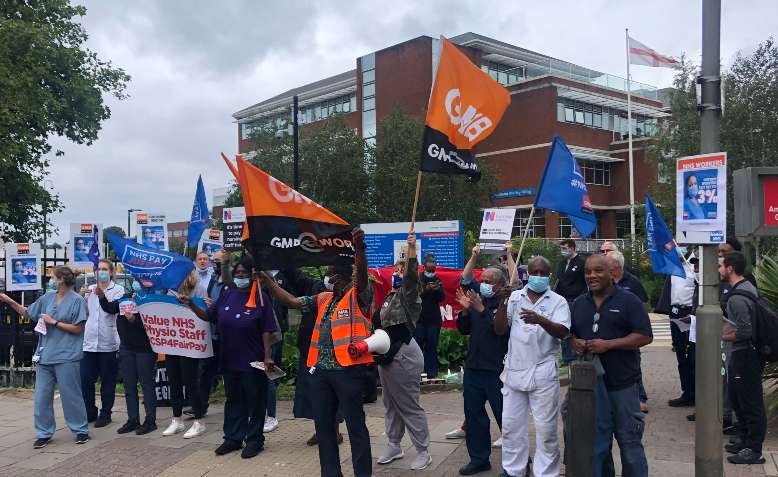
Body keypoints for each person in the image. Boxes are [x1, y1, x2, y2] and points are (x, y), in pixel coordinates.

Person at [262, 227, 373, 477]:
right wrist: (266, 280)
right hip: (321, 373)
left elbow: (363, 276)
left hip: (348, 373)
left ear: (343, 277)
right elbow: (291, 301)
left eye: (333, 276)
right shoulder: (323, 298)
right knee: (324, 428)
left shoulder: (359, 296)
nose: (329, 280)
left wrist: (361, 249)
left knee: (356, 427)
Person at [183, 254, 277, 459]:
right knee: (234, 399)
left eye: (244, 272)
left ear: (252, 275)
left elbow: (267, 329)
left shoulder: (260, 296)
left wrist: (268, 357)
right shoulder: (227, 294)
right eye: (238, 272)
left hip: (253, 360)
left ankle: (254, 440)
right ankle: (233, 438)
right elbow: (208, 316)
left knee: (255, 400)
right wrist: (190, 304)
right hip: (230, 358)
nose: (240, 275)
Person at [569, 254, 652, 477]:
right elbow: (572, 333)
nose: (592, 276)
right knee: (597, 443)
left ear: (611, 273)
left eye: (598, 271)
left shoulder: (629, 301)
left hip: (622, 385)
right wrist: (574, 341)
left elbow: (645, 336)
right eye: (588, 272)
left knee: (629, 441)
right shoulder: (579, 303)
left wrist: (610, 345)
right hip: (591, 387)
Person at [494, 256, 570, 477]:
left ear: (549, 276)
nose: (537, 277)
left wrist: (541, 320)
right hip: (514, 371)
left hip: (543, 372)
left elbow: (564, 332)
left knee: (546, 429)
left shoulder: (558, 301)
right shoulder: (515, 297)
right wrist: (502, 302)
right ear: (527, 274)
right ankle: (514, 469)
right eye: (534, 272)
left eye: (542, 273)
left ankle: (546, 472)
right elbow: (499, 330)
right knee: (511, 427)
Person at [0, 267, 90, 447]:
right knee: (41, 396)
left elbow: (79, 328)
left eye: (52, 277)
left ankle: (80, 429)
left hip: (67, 355)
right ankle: (44, 432)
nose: (50, 280)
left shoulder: (77, 301)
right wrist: (8, 300)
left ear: (61, 280)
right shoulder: (47, 297)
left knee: (70, 395)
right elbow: (28, 313)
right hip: (45, 354)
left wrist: (54, 322)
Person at [373, 233, 432, 471]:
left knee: (408, 404)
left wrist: (411, 248)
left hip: (404, 355)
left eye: (401, 270)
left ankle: (423, 450)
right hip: (386, 357)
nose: (397, 273)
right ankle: (394, 444)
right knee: (390, 403)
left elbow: (410, 276)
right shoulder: (389, 297)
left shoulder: (410, 296)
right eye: (396, 270)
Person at [454, 244, 510, 476]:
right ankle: (479, 459)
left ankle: (517, 461)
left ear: (499, 285)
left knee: (506, 418)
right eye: (483, 279)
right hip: (474, 368)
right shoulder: (477, 298)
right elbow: (465, 329)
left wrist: (481, 310)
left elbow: (499, 331)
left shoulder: (506, 302)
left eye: (489, 281)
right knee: (475, 416)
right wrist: (467, 311)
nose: (484, 284)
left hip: (497, 370)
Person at [720, 251, 766, 465]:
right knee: (738, 398)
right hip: (747, 353)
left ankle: (754, 449)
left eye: (721, 266)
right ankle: (746, 441)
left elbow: (745, 331)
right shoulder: (748, 288)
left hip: (745, 353)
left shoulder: (737, 297)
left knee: (749, 402)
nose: (719, 270)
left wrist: (722, 335)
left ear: (730, 268)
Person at [162, 271, 208, 439]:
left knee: (190, 381)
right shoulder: (171, 290)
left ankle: (199, 420)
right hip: (173, 341)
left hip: (191, 342)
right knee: (173, 380)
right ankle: (177, 419)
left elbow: (205, 312)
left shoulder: (200, 288)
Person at [79, 260, 124, 428]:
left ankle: (106, 413)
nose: (101, 272)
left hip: (108, 341)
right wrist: (81, 295)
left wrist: (101, 295)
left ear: (111, 272)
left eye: (105, 269)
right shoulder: (89, 289)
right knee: (85, 379)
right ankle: (89, 411)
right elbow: (83, 312)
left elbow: (113, 309)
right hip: (89, 342)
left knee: (108, 380)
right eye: (99, 269)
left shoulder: (118, 290)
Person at [657, 248, 698, 409]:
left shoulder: (694, 266)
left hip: (690, 313)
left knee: (692, 357)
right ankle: (687, 393)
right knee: (681, 355)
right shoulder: (673, 267)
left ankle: (697, 394)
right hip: (675, 313)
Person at [117, 280, 158, 435]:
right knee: (129, 385)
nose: (138, 282)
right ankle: (133, 419)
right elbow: (110, 307)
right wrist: (101, 295)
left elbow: (154, 323)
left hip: (144, 349)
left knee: (146, 384)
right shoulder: (127, 297)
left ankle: (150, 420)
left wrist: (135, 320)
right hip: (127, 347)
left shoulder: (153, 299)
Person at [196, 249, 226, 418]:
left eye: (219, 262)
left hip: (226, 336)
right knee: (205, 371)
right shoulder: (213, 281)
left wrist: (214, 305)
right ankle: (200, 406)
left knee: (229, 373)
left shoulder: (231, 284)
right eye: (214, 262)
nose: (216, 265)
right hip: (212, 334)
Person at [264, 269, 289, 434]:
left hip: (271, 334)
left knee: (269, 377)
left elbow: (287, 301)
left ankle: (271, 416)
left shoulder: (272, 280)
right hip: (252, 337)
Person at [555, 239, 586, 367]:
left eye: (565, 248)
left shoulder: (581, 262)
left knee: (575, 329)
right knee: (564, 328)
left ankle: (575, 355)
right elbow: (560, 280)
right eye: (561, 248)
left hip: (576, 299)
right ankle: (566, 357)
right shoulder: (562, 263)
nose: (563, 251)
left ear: (572, 248)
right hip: (563, 299)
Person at [414, 252, 445, 379]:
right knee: (417, 345)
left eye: (434, 262)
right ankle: (417, 371)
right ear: (424, 264)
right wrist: (426, 289)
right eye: (430, 262)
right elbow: (415, 296)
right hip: (419, 319)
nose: (432, 264)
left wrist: (437, 289)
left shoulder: (437, 279)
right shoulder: (418, 278)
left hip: (433, 319)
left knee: (432, 346)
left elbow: (442, 298)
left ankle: (432, 372)